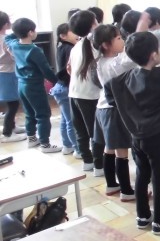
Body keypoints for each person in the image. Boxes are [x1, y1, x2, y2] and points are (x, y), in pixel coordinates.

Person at [104, 31, 160, 235]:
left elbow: (109, 89)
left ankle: (143, 216)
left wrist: (126, 109)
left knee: (142, 174)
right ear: (154, 55)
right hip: (157, 136)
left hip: (136, 136)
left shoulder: (124, 78)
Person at [92, 23, 138, 202]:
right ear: (106, 45)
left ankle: (111, 184)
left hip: (102, 108)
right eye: (119, 38)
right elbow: (131, 59)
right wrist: (140, 28)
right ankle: (126, 190)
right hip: (114, 111)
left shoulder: (100, 61)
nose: (123, 41)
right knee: (121, 152)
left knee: (109, 148)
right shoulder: (115, 63)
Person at [5, 18, 61, 153]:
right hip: (34, 86)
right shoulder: (34, 50)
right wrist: (57, 82)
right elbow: (46, 70)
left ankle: (32, 138)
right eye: (34, 30)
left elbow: (8, 37)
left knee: (29, 112)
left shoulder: (14, 44)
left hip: (21, 85)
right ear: (30, 33)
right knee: (43, 114)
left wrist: (17, 30)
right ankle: (45, 144)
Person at [68, 10, 104, 174]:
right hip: (90, 95)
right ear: (93, 25)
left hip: (74, 93)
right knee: (96, 132)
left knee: (81, 131)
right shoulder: (95, 44)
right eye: (96, 21)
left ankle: (87, 161)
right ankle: (99, 165)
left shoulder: (77, 46)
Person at [50, 23, 80, 155]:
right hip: (65, 88)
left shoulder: (62, 47)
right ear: (63, 36)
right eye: (73, 32)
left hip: (60, 87)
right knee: (71, 121)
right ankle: (78, 149)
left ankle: (67, 146)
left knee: (65, 119)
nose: (77, 34)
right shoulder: (70, 48)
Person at [0, 12, 26, 143]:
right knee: (13, 103)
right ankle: (7, 133)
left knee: (10, 101)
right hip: (7, 72)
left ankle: (13, 127)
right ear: (5, 24)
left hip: (3, 72)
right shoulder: (6, 39)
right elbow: (13, 56)